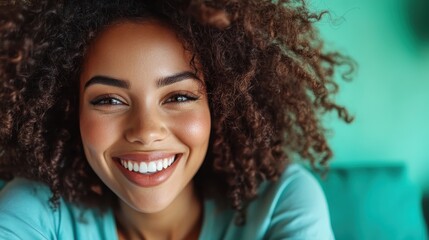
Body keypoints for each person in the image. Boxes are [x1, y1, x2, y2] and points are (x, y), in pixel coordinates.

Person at [0, 0, 353, 239]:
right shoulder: (34, 210)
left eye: (179, 97)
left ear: (221, 104)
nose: (146, 131)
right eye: (108, 100)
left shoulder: (281, 202)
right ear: (68, 109)